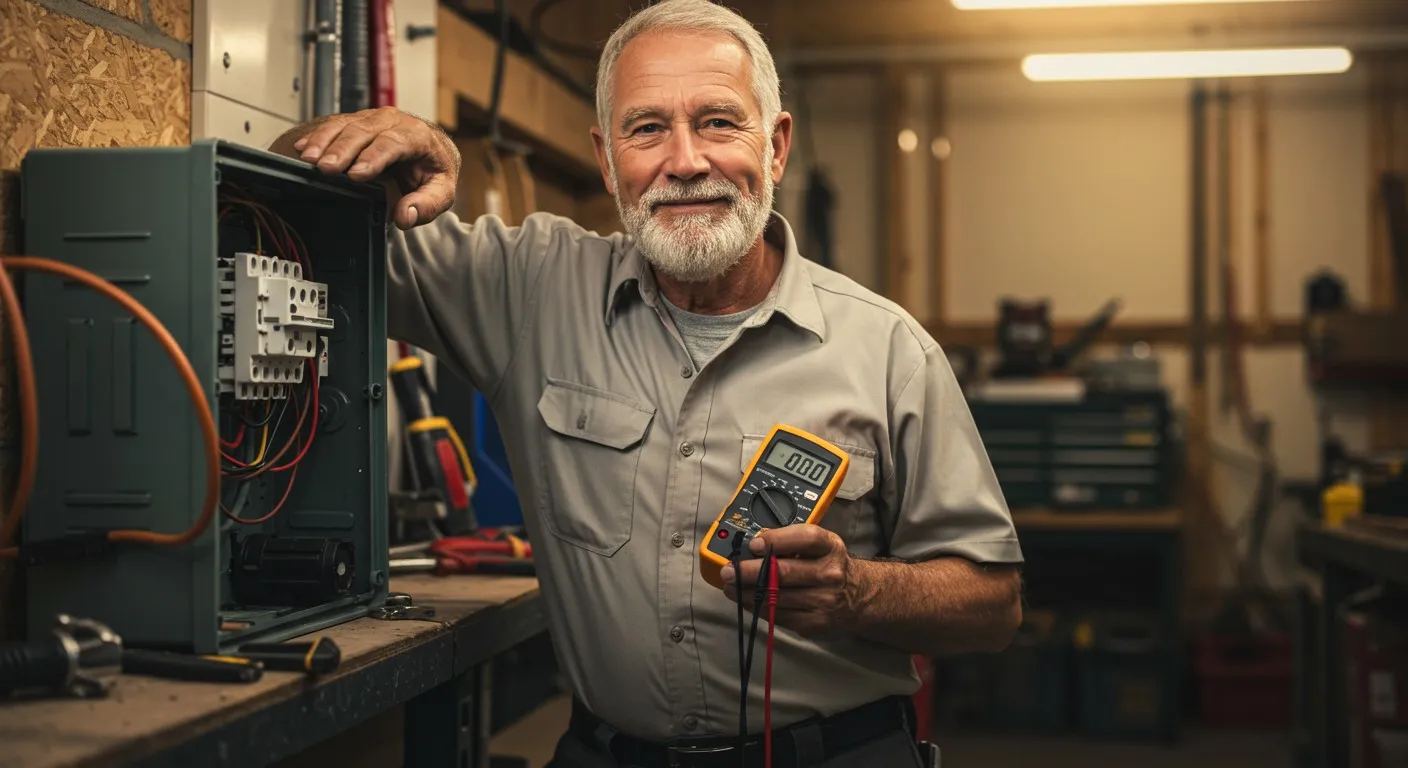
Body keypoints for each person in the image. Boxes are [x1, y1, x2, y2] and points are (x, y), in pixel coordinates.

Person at [271, 1, 1023, 764]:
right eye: (647, 128)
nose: (687, 159)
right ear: (606, 159)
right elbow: (290, 215)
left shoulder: (889, 348)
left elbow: (993, 605)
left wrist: (857, 591)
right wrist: (395, 141)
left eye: (720, 122)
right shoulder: (525, 291)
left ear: (778, 146)